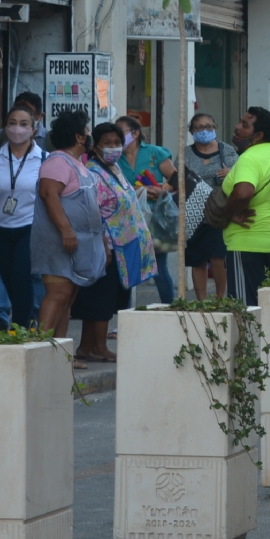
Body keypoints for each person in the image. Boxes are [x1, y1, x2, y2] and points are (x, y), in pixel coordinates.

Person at [75, 122, 157, 363]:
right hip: (107, 246)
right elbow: (93, 211)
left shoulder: (114, 168)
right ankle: (97, 347)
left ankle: (87, 347)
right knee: (101, 298)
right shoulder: (92, 171)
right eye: (107, 143)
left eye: (117, 143)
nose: (113, 148)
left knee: (110, 297)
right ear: (96, 146)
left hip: (125, 244)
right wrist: (103, 244)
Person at [32, 112, 106, 364]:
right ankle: (39, 352)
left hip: (79, 244)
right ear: (78, 136)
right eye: (87, 131)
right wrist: (66, 230)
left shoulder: (78, 164)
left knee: (68, 297)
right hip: (60, 242)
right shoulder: (58, 163)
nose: (89, 135)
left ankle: (60, 353)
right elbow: (49, 194)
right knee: (58, 294)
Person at [0, 102, 48, 329]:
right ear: (5, 127)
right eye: (12, 123)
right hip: (0, 227)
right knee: (6, 277)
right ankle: (24, 321)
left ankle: (21, 326)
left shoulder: (44, 158)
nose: (18, 129)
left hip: (31, 226)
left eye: (24, 124)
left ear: (33, 129)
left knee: (22, 277)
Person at [223, 107, 270, 303]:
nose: (237, 127)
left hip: (246, 244)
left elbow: (243, 193)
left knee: (244, 310)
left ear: (259, 135)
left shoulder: (249, 157)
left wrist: (227, 214)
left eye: (245, 125)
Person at [114, 114, 178, 303]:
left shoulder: (155, 152)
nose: (117, 137)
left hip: (155, 217)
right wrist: (137, 190)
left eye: (121, 132)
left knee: (159, 267)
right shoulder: (115, 157)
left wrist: (161, 190)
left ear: (135, 134)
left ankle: (171, 308)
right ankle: (125, 314)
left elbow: (175, 179)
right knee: (128, 268)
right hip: (126, 218)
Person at [181, 112, 238, 299]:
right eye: (199, 127)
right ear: (191, 131)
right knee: (197, 260)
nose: (205, 131)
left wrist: (229, 173)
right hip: (194, 215)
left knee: (217, 258)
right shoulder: (185, 154)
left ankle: (220, 299)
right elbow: (177, 178)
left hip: (218, 213)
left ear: (215, 128)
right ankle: (201, 301)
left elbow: (240, 176)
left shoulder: (227, 151)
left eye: (209, 127)